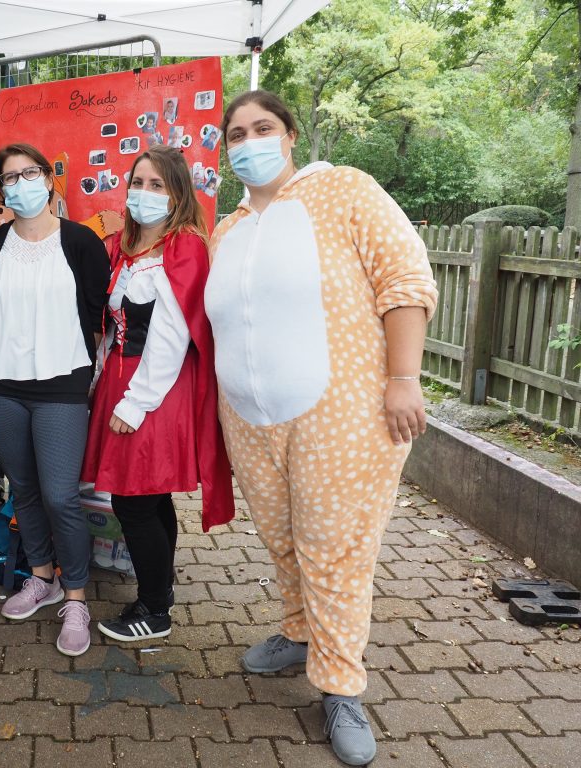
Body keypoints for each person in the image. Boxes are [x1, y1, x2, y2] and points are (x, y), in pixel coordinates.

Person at [205, 90, 438, 767]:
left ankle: (340, 685)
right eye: (237, 132)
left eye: (263, 127)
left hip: (338, 411)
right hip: (250, 416)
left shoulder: (344, 192)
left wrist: (403, 378)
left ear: (290, 135)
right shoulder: (228, 228)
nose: (249, 140)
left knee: (333, 546)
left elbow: (405, 280)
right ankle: (298, 630)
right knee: (282, 537)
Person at [81, 145, 234, 642]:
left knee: (134, 502)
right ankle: (159, 590)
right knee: (149, 497)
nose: (143, 193)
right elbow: (113, 326)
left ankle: (154, 610)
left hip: (153, 388)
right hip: (122, 379)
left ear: (178, 194)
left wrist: (134, 401)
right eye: (138, 183)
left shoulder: (182, 246)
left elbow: (172, 335)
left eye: (157, 185)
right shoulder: (126, 247)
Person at [0, 143, 109, 656]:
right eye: (9, 177)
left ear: (49, 179)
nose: (20, 183)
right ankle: (42, 577)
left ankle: (76, 597)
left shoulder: (80, 243)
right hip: (4, 384)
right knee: (23, 488)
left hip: (61, 386)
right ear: (1, 189)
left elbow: (96, 312)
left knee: (59, 494)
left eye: (29, 173)